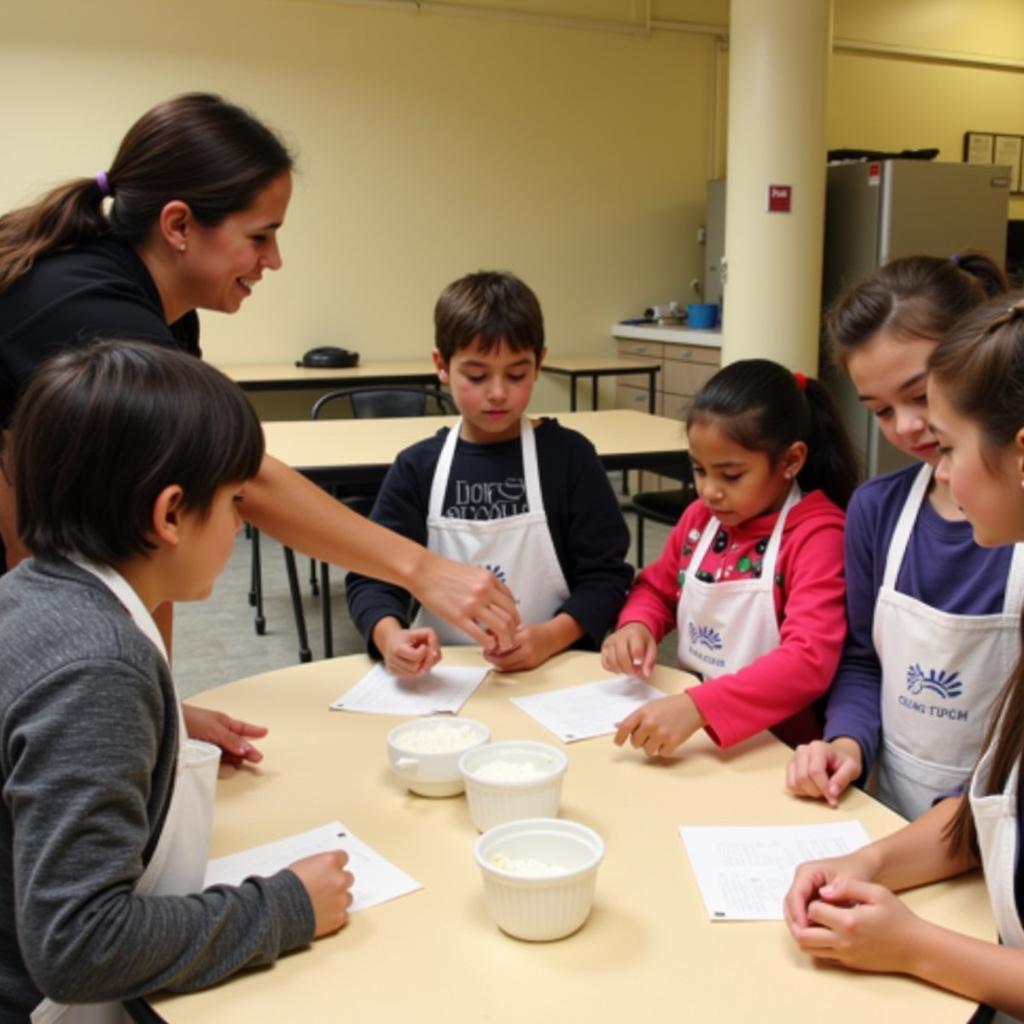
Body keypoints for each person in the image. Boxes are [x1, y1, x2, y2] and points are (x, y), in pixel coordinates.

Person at [0, 93, 518, 759]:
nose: (272, 261)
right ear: (179, 224)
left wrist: (159, 707)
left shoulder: (161, 313)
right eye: (259, 236)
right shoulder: (86, 307)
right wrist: (419, 568)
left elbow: (145, 543)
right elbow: (236, 476)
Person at [0, 341, 355, 1022]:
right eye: (233, 503)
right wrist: (285, 907)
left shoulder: (34, 593)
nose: (240, 522)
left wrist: (160, 728)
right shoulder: (99, 666)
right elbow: (78, 944)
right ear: (169, 516)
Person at [785, 294, 1024, 1023]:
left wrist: (916, 947)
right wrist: (870, 862)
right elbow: (991, 806)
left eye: (947, 441)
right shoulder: (881, 512)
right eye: (883, 411)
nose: (934, 466)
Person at [786, 253, 1018, 820]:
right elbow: (863, 659)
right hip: (889, 813)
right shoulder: (877, 510)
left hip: (992, 827)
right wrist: (846, 742)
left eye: (920, 396)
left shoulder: (1012, 522)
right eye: (881, 411)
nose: (908, 426)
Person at [344, 270, 633, 675]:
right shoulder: (418, 468)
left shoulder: (569, 458)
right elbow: (372, 577)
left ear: (539, 364)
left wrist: (548, 638)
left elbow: (606, 578)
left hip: (552, 669)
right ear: (441, 365)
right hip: (442, 675)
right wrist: (388, 635)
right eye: (477, 376)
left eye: (516, 374)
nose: (498, 392)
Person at [603, 358, 859, 757]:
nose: (709, 491)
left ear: (791, 460)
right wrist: (637, 625)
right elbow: (657, 588)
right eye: (699, 470)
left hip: (777, 747)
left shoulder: (817, 536)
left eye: (731, 475)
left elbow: (807, 660)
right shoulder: (700, 521)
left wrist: (699, 707)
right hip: (693, 730)